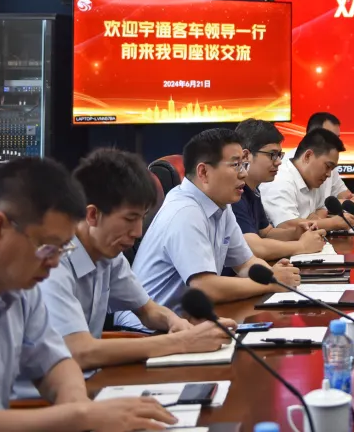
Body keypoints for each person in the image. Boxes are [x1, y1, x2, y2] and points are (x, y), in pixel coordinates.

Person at [0, 157, 176, 431]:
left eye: (63, 248)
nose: (54, 263)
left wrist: (77, 405)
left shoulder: (20, 282)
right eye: (48, 247)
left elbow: (56, 362)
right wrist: (81, 416)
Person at [29, 149, 232, 372]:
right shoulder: (53, 264)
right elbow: (79, 352)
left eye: (142, 218)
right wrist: (182, 342)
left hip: (89, 379)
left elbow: (148, 310)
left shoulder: (110, 255)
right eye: (129, 219)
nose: (137, 232)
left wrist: (178, 324)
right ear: (92, 215)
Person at [116, 129, 302, 327]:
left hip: (187, 323)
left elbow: (246, 264)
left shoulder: (221, 205)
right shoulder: (185, 212)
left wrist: (274, 276)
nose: (244, 173)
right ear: (203, 172)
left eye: (244, 164)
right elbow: (206, 288)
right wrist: (270, 283)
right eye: (236, 165)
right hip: (144, 330)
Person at [234, 118, 328, 259]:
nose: (278, 162)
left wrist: (296, 233)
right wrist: (301, 246)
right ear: (246, 156)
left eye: (279, 155)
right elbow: (254, 248)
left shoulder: (254, 190)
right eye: (272, 155)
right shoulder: (233, 193)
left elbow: (266, 233)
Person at [260, 127, 354, 232]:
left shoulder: (314, 179)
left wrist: (313, 220)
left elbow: (322, 209)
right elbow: (287, 225)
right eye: (328, 166)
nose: (329, 174)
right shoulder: (280, 180)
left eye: (332, 169)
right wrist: (333, 223)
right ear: (308, 156)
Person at [305, 111, 354, 212]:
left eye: (337, 138)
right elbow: (308, 211)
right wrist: (341, 203)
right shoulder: (292, 166)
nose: (337, 143)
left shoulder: (330, 164)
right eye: (331, 138)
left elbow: (346, 196)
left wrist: (352, 201)